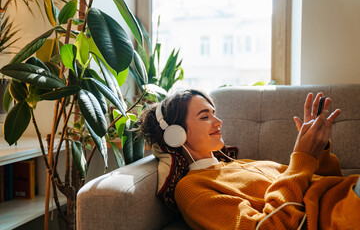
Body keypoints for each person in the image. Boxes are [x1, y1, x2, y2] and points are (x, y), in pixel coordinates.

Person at [137, 89, 360, 230]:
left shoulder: (238, 165)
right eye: (205, 116)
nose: (218, 121)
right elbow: (265, 227)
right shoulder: (191, 189)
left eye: (214, 113)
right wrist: (302, 158)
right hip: (341, 216)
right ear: (176, 134)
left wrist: (318, 151)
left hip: (348, 198)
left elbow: (330, 186)